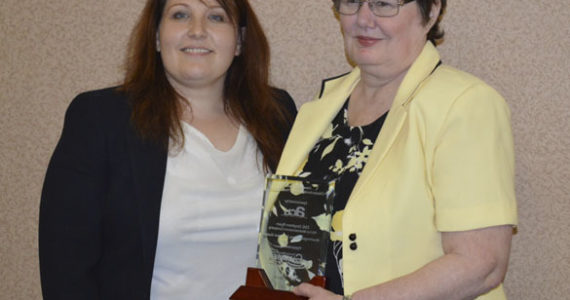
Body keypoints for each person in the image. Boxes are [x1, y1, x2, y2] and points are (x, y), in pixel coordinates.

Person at [38, 0, 296, 299]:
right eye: (180, 14)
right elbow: (66, 270)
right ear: (158, 36)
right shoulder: (101, 120)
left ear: (238, 41)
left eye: (216, 16)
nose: (197, 31)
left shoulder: (278, 115)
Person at [274, 0, 517, 299]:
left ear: (430, 13)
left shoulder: (465, 105)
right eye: (352, 2)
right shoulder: (319, 107)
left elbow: (482, 263)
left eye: (384, 3)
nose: (363, 18)